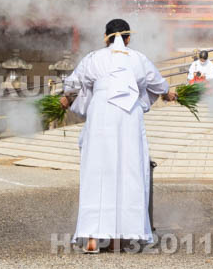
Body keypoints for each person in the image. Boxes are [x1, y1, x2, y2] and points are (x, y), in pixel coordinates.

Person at [59, 19, 174, 252]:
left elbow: (73, 83)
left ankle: (92, 238)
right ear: (128, 38)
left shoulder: (93, 58)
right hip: (129, 116)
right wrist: (169, 93)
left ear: (106, 37)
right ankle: (118, 240)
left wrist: (65, 98)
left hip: (101, 114)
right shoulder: (139, 59)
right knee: (128, 169)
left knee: (97, 171)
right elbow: (158, 84)